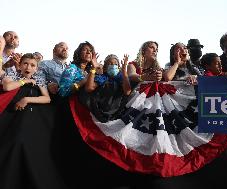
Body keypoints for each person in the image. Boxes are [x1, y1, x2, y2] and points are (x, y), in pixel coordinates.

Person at [0, 53, 67, 189]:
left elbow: (46, 98)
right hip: (11, 115)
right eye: (25, 63)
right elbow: (7, 87)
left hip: (31, 115)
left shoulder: (39, 80)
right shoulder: (12, 76)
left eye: (32, 65)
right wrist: (25, 81)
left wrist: (27, 99)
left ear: (36, 68)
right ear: (19, 65)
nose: (28, 67)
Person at [83, 53, 131, 122]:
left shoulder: (121, 77)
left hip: (118, 114)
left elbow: (127, 91)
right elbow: (89, 88)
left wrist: (124, 71)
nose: (113, 66)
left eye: (115, 64)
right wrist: (93, 68)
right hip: (100, 113)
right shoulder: (103, 77)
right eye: (110, 64)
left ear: (119, 67)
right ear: (105, 68)